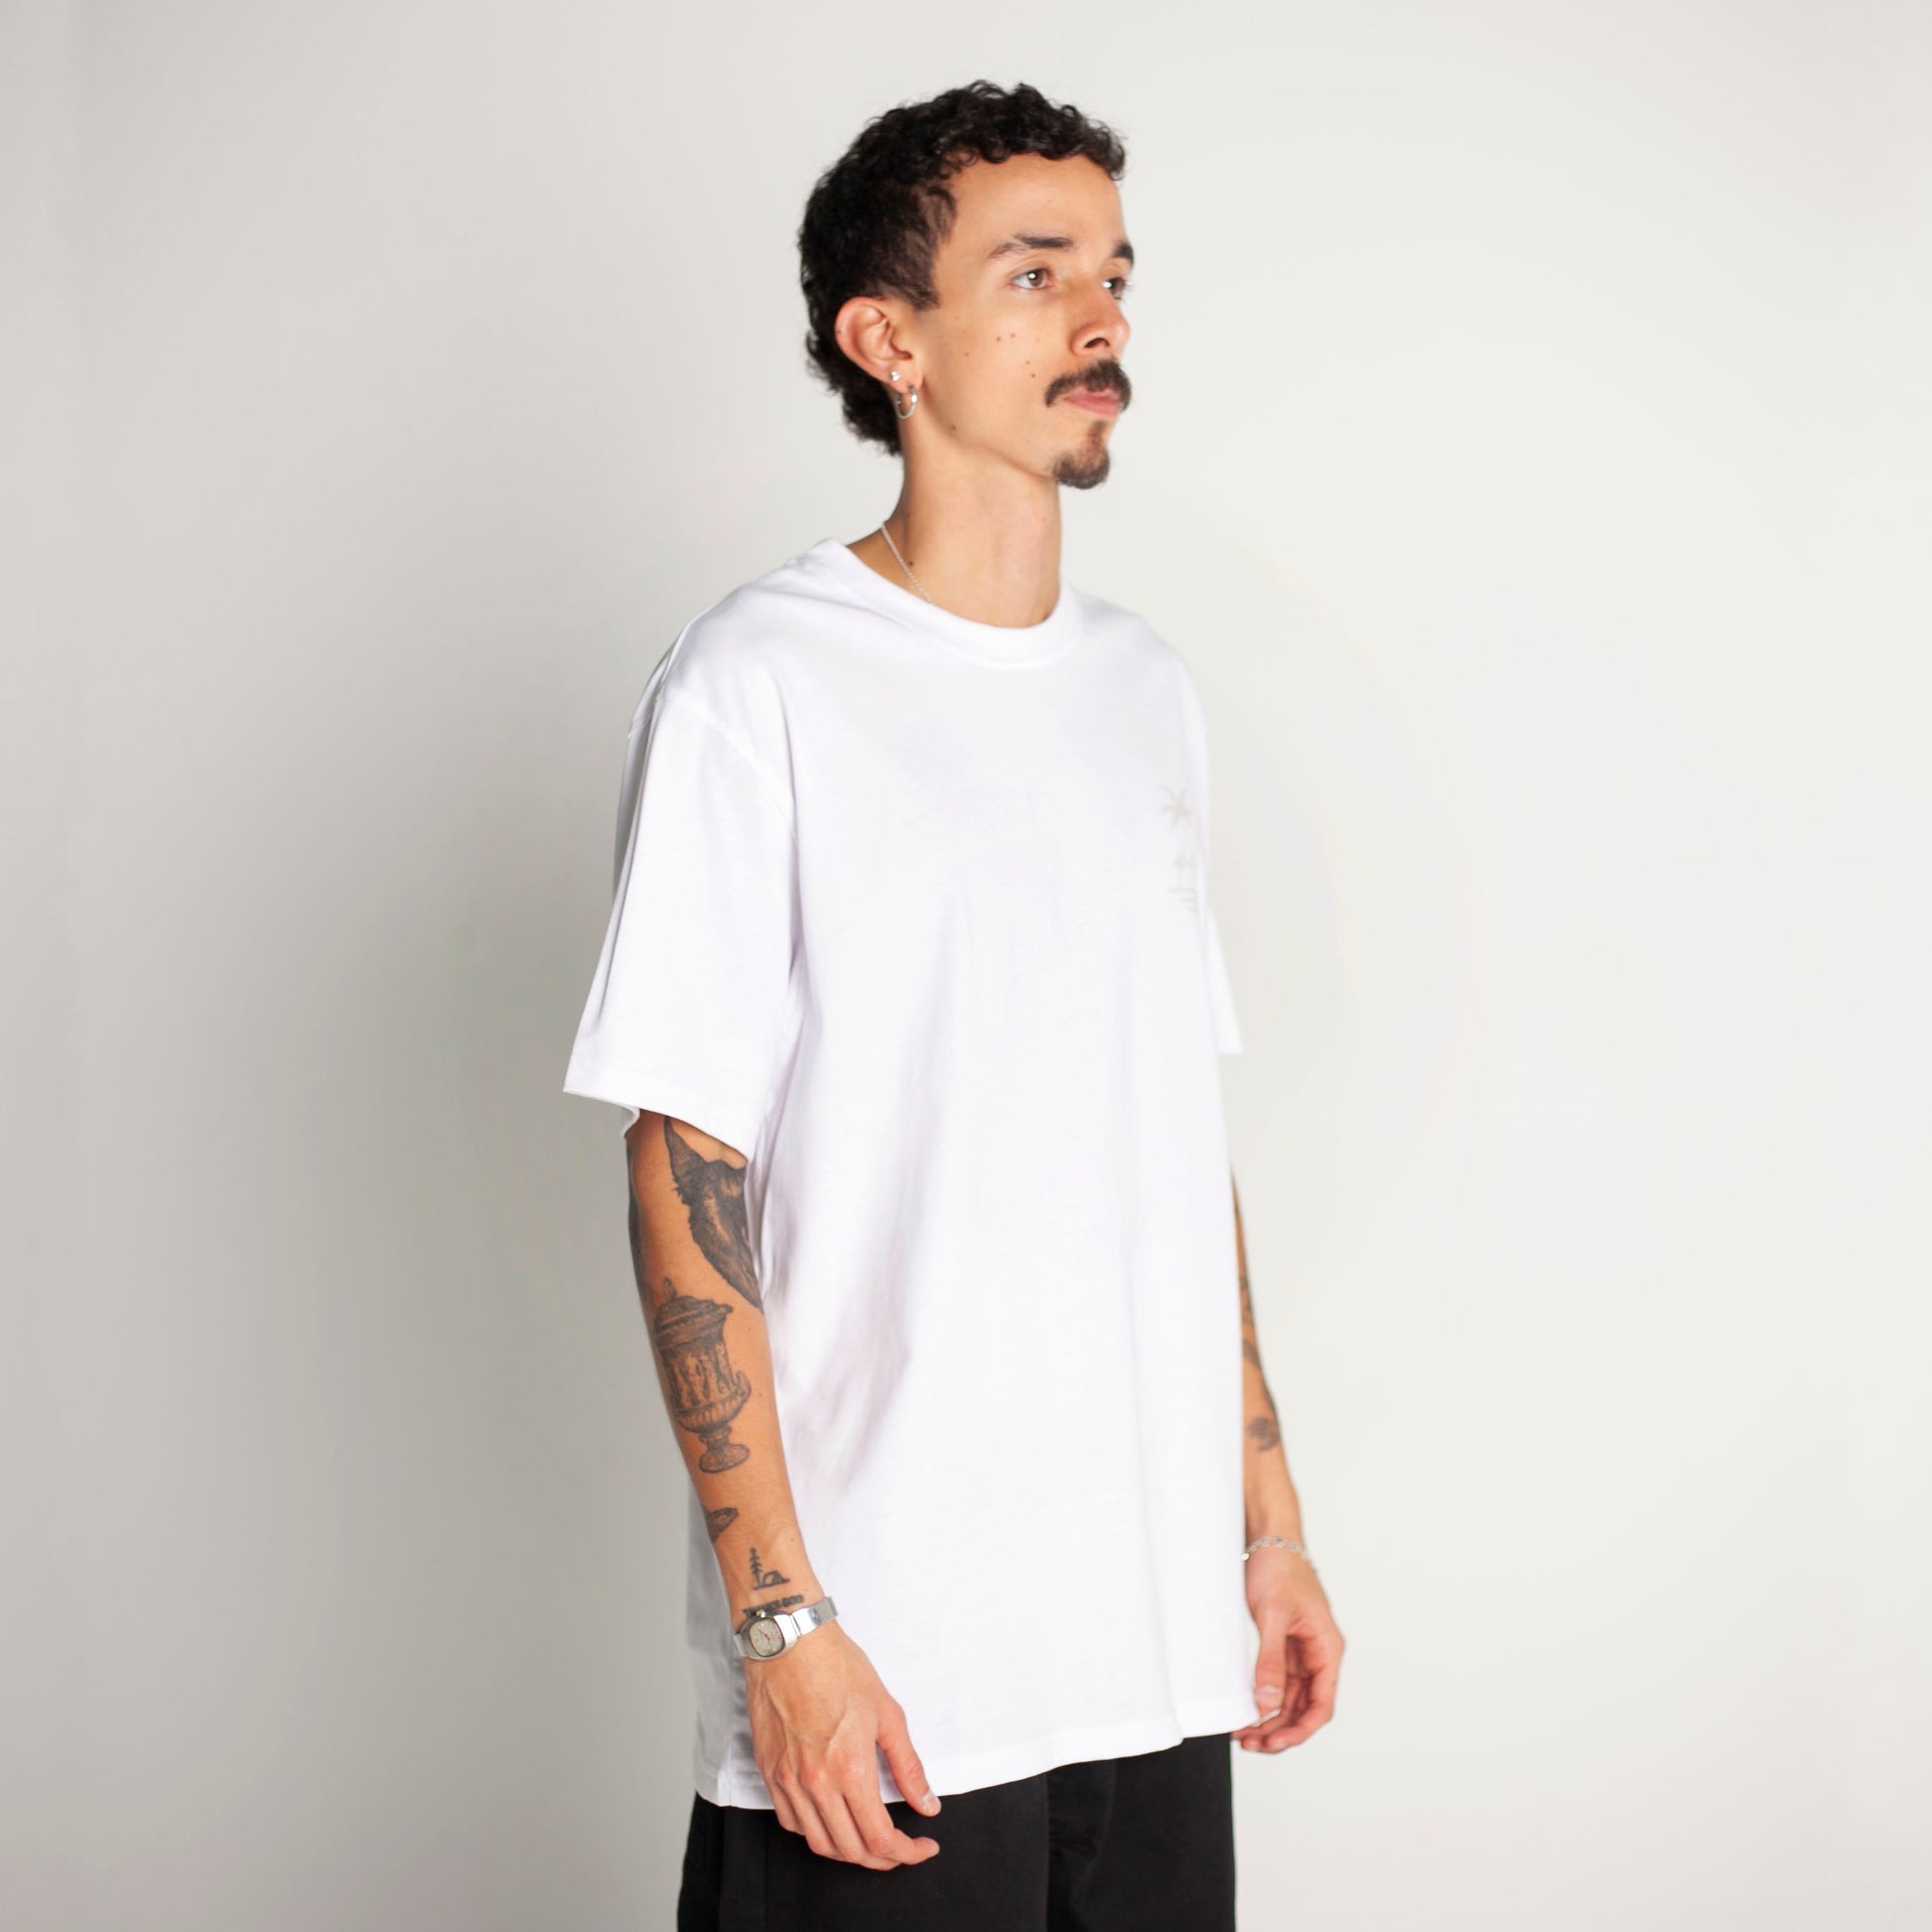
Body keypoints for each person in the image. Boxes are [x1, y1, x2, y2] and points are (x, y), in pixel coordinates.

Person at [562, 78, 1343, 1931]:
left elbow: (1172, 1142)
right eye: (1035, 273)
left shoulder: (1146, 694)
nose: (1102, 321)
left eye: (1116, 275)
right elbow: (685, 1169)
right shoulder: (758, 684)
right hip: (891, 1677)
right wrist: (783, 1624)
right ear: (887, 339)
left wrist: (1268, 1521)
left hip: (1154, 1651)